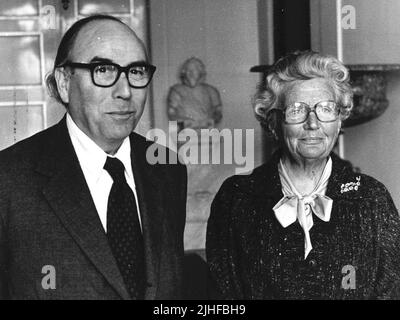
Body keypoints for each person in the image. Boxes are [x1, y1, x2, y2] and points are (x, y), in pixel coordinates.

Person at [0, 15, 187, 300]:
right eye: (103, 70)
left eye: (136, 72)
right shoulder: (9, 179)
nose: (125, 92)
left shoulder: (167, 168)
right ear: (64, 83)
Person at [206, 51, 400, 299]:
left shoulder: (372, 199)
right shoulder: (236, 198)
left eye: (326, 109)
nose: (313, 123)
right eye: (296, 110)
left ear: (339, 120)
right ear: (273, 122)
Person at [167, 57, 222, 130]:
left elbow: (218, 111)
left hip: (208, 131)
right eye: (188, 70)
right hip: (186, 132)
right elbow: (171, 113)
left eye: (194, 70)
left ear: (200, 73)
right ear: (184, 72)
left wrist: (212, 119)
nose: (191, 73)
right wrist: (184, 120)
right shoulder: (176, 91)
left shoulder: (211, 91)